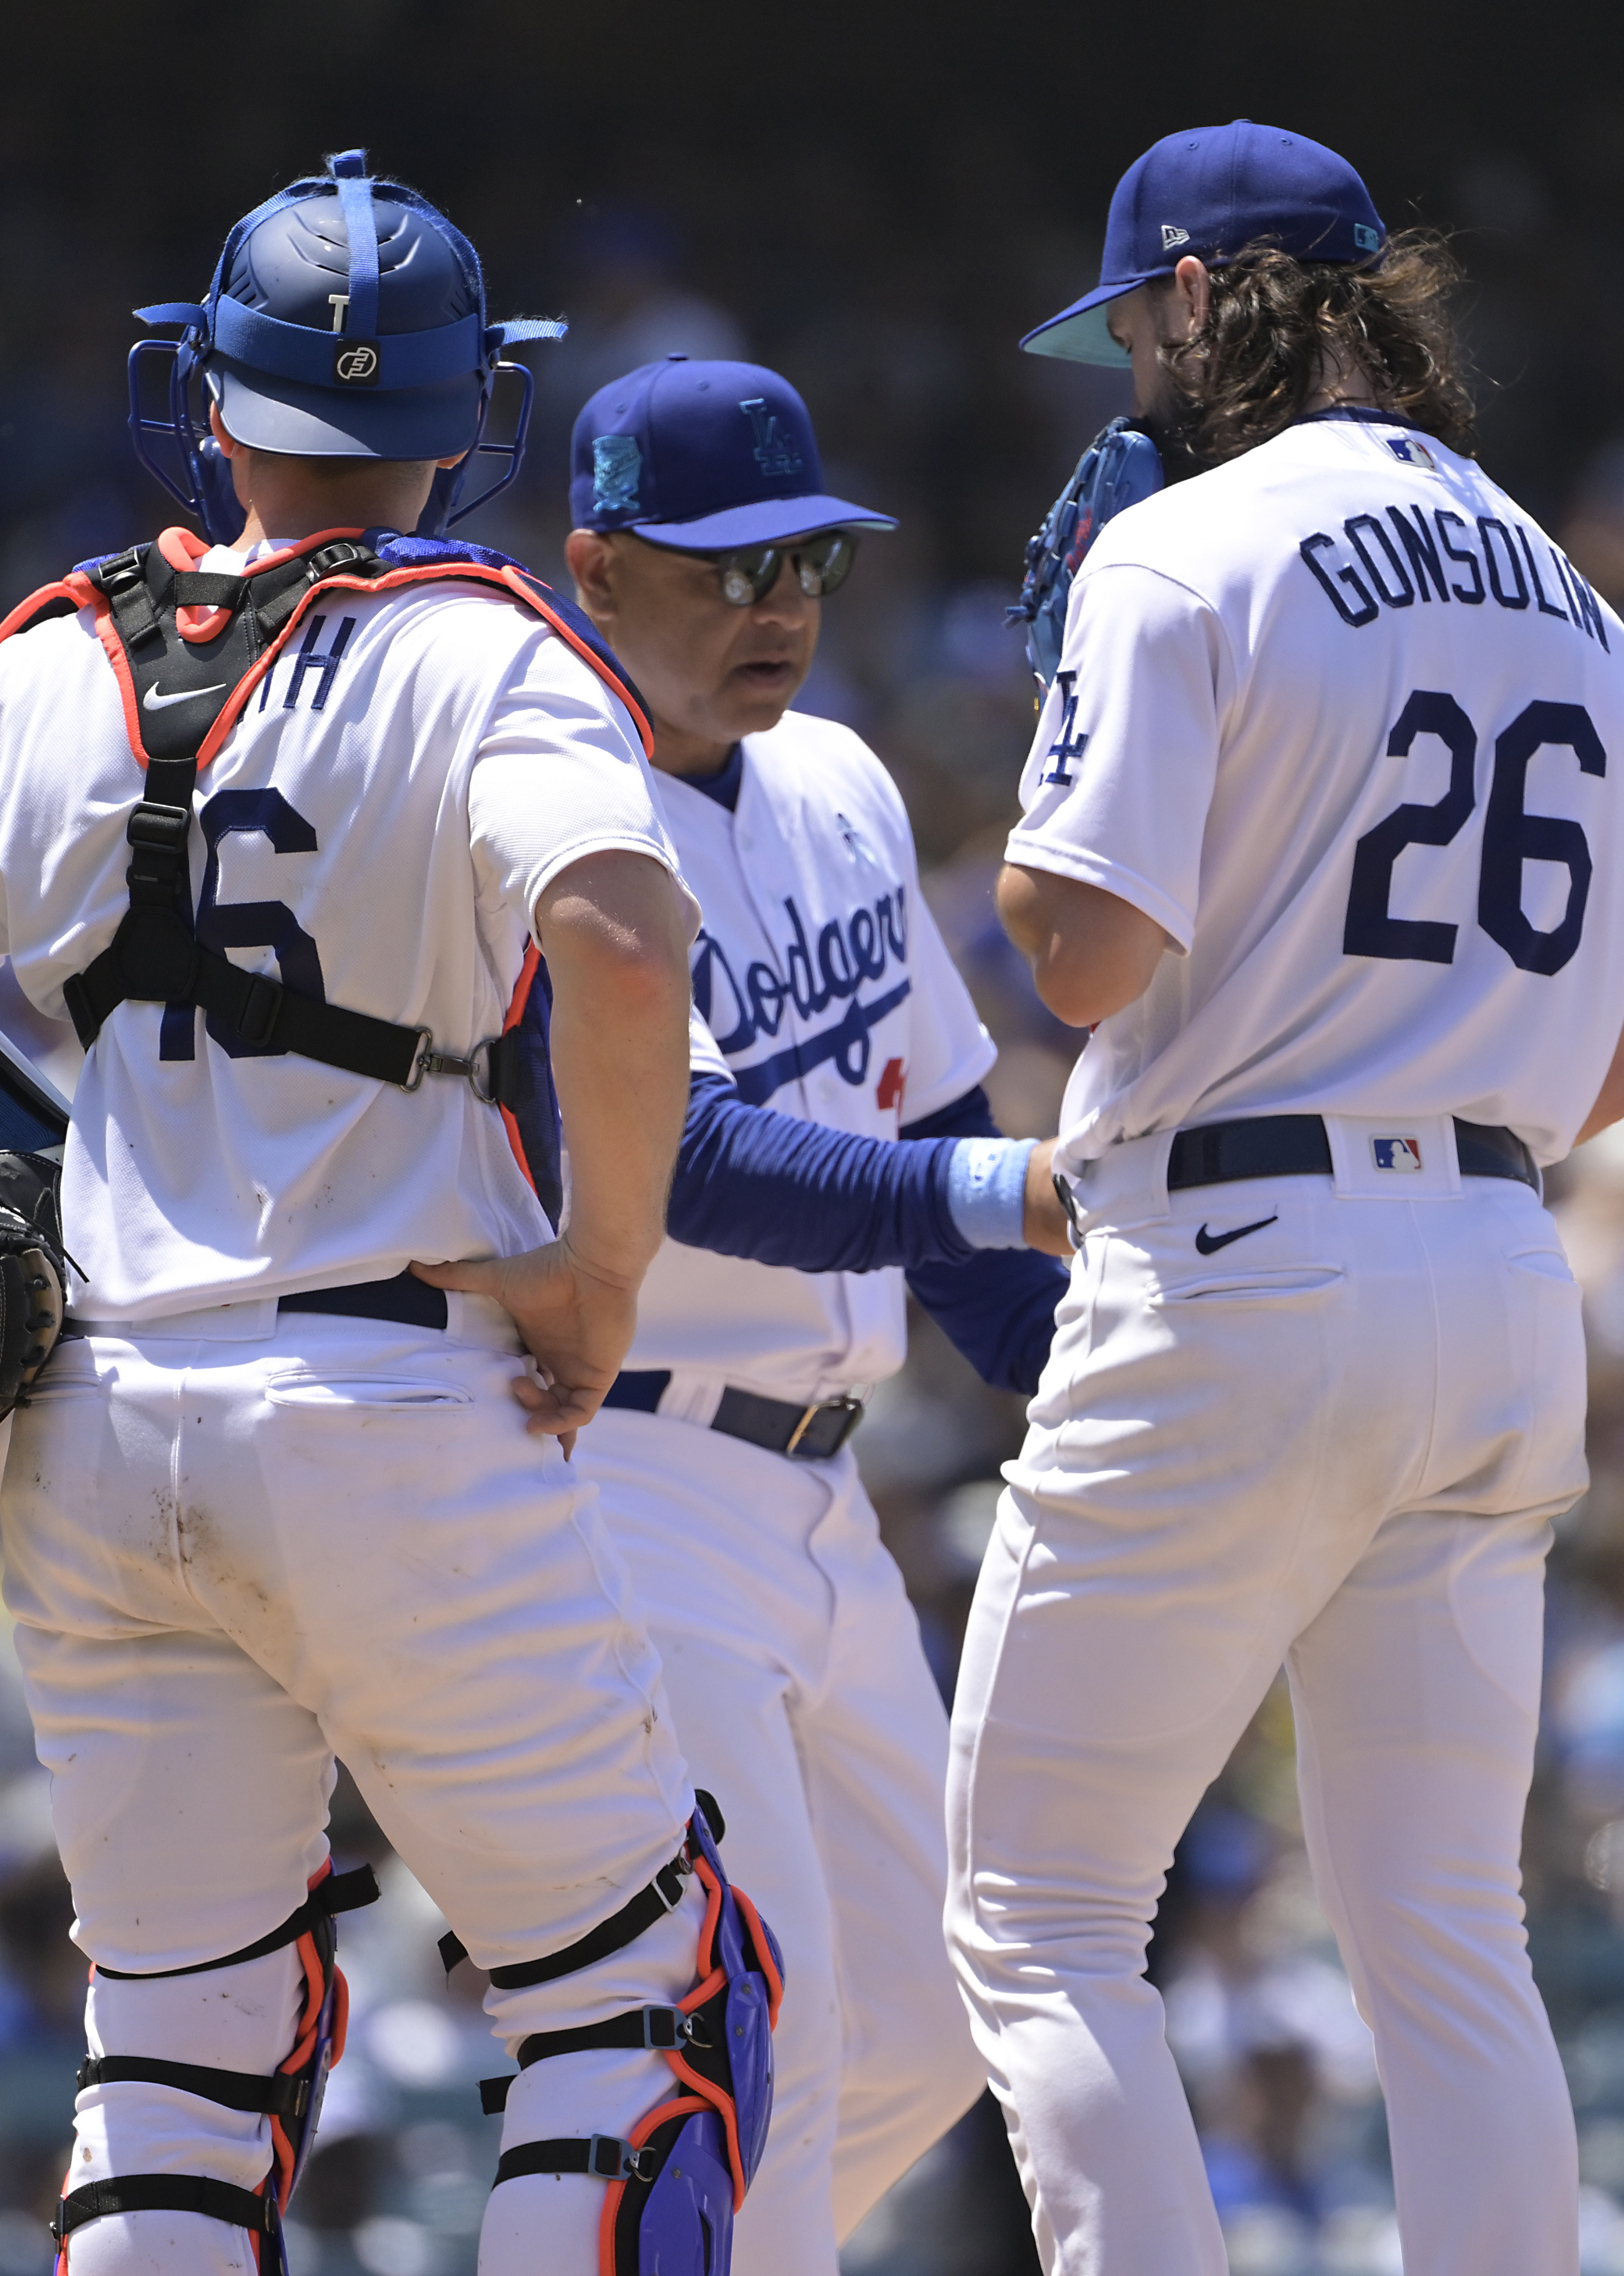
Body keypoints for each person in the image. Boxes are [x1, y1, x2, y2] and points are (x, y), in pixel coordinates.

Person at [0, 154, 779, 2276]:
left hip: (101, 1417)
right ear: (461, 420)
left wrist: (28, 1168)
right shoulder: (483, 647)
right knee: (644, 1995)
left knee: (178, 2065)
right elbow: (612, 923)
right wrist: (597, 1266)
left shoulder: (48, 658)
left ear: (206, 403)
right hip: (390, 1393)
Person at [944, 121, 1624, 2276]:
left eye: (1136, 332)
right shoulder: (1590, 617)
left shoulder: (1185, 552)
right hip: (1494, 1266)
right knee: (1453, 1939)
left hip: (1243, 1258)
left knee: (1043, 1910)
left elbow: (1075, 961)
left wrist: (1062, 721)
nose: (1127, 385)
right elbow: (1612, 1068)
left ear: (1193, 299)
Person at [561, 355, 1068, 2272]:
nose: (776, 608)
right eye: (723, 570)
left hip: (823, 1500)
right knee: (743, 2036)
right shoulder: (560, 813)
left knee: (937, 2034)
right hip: (630, 1479)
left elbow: (932, 1124)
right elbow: (686, 1159)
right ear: (596, 572)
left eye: (804, 565)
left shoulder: (841, 776)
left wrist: (1076, 1378)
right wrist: (1001, 1190)